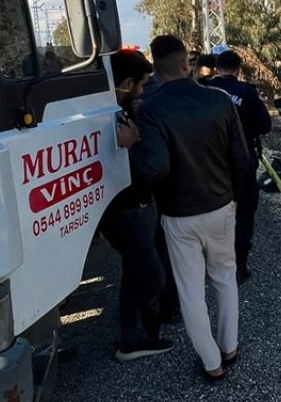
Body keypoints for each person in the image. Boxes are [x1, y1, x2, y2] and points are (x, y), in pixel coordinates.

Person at [118, 35, 252, 382]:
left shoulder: (149, 108)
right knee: (224, 278)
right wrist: (232, 197)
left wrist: (133, 146)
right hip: (220, 205)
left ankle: (211, 363)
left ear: (158, 67)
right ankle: (230, 346)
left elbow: (155, 168)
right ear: (185, 62)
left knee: (190, 290)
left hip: (178, 215)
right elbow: (241, 157)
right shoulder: (219, 100)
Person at [102, 50, 173, 361]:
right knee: (151, 276)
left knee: (134, 270)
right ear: (127, 83)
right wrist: (136, 145)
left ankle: (132, 334)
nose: (144, 91)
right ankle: (136, 336)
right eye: (142, 85)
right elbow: (133, 168)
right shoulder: (113, 119)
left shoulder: (117, 110)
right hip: (129, 209)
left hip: (132, 207)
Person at [207, 49, 272, 283]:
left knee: (211, 210)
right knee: (244, 212)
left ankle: (212, 260)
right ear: (238, 70)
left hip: (208, 162)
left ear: (216, 68)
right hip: (242, 160)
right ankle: (239, 263)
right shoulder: (247, 92)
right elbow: (265, 125)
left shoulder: (202, 90)